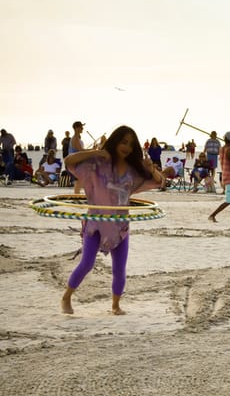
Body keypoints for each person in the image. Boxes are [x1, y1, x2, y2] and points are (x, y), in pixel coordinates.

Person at [61, 125, 164, 315]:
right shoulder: (97, 164)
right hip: (95, 224)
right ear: (115, 141)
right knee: (87, 263)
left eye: (131, 145)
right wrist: (97, 152)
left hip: (119, 228)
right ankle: (67, 297)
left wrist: (152, 169)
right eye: (123, 142)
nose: (127, 147)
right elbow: (69, 161)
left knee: (119, 269)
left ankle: (116, 305)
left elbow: (160, 181)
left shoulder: (134, 171)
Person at [69, 121, 85, 195]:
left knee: (78, 179)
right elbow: (81, 151)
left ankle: (77, 195)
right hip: (74, 162)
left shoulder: (75, 138)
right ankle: (77, 195)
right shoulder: (75, 138)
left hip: (75, 162)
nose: (82, 128)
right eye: (81, 127)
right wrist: (93, 150)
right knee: (78, 179)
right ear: (76, 128)